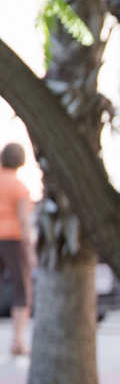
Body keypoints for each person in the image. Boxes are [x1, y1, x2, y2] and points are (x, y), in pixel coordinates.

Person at [0, 143, 35, 357]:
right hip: (13, 239)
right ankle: (18, 341)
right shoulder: (20, 187)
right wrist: (30, 251)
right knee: (21, 290)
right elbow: (24, 221)